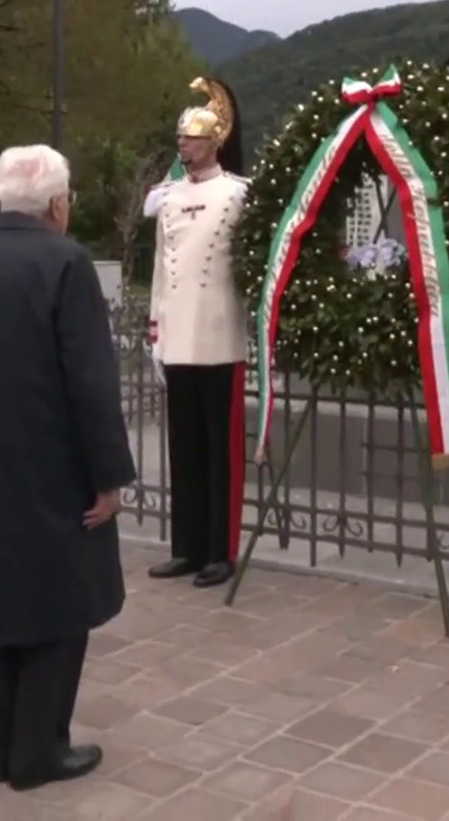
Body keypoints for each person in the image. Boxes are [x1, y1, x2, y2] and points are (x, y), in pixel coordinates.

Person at [0, 145, 135, 792]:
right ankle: (39, 752)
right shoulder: (65, 261)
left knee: (2, 607)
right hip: (54, 466)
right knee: (57, 608)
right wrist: (108, 476)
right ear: (57, 203)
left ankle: (3, 751)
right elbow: (89, 380)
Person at [145, 77, 251, 589]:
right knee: (183, 449)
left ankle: (219, 551)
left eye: (193, 137)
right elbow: (161, 270)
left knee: (219, 452)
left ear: (215, 141)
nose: (183, 144)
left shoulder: (237, 194)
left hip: (219, 333)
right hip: (179, 333)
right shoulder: (165, 199)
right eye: (182, 137)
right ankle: (185, 546)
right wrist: (156, 326)